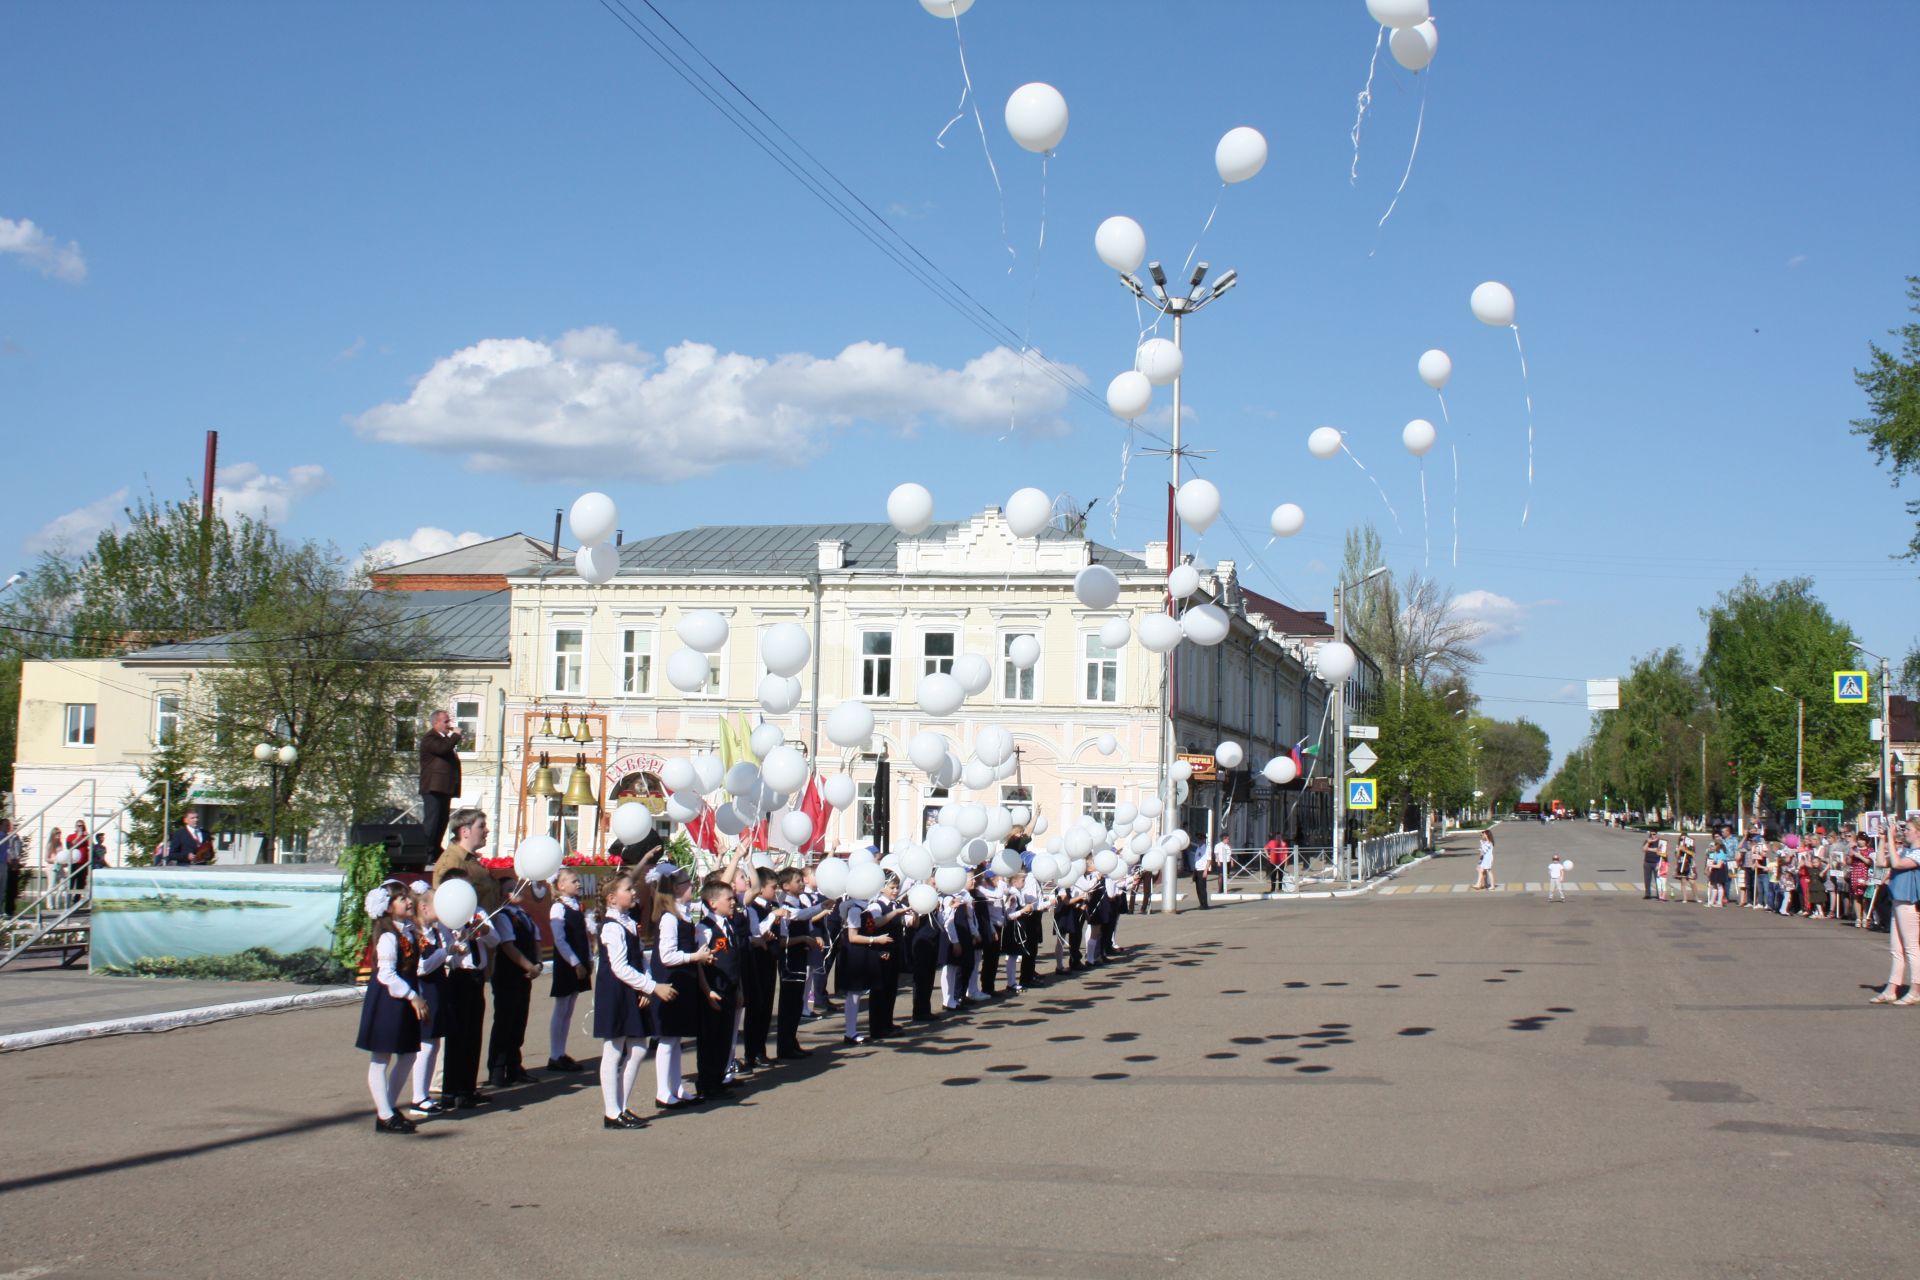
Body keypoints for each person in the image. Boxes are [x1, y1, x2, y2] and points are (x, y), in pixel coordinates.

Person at [354, 883, 427, 1135]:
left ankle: (388, 1107)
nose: (409, 902)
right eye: (402, 899)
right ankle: (385, 1114)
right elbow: (386, 974)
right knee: (381, 1058)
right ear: (388, 907)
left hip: (404, 998)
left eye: (408, 898)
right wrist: (412, 996)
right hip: (388, 1000)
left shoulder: (407, 931)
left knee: (407, 1054)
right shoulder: (387, 935)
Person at [592, 870, 663, 1129]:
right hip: (616, 992)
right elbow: (619, 967)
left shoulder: (628, 922)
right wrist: (651, 986)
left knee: (639, 1047)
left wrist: (646, 986)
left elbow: (639, 959)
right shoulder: (611, 927)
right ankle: (612, 1112)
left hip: (632, 989)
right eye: (628, 889)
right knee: (613, 1049)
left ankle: (621, 1106)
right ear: (612, 898)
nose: (634, 892)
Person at [648, 862, 712, 1106]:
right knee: (667, 1038)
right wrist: (694, 956)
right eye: (687, 883)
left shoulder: (682, 914)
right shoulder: (669, 918)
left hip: (682, 981)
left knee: (675, 1039)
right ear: (675, 889)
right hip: (669, 981)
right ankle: (663, 1091)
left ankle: (675, 1087)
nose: (692, 886)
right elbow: (666, 956)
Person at [435, 868, 495, 1110]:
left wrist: (482, 930)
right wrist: (456, 939)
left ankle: (468, 1088)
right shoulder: (445, 916)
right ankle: (450, 1090)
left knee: (473, 1033)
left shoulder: (477, 912)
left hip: (476, 977)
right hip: (457, 977)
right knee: (456, 1035)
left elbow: (495, 939)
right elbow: (443, 950)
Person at [485, 881, 544, 1088]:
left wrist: (537, 962)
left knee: (519, 1020)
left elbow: (536, 939)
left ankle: (515, 1066)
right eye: (511, 889)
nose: (517, 891)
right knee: (504, 1021)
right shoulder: (503, 916)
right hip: (508, 975)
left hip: (524, 976)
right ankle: (497, 1069)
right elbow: (508, 946)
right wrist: (529, 966)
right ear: (503, 895)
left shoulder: (523, 914)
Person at [404, 883, 454, 1118]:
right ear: (424, 907)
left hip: (437, 988)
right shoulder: (414, 932)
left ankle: (423, 1095)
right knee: (426, 1044)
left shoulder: (432, 931)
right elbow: (421, 967)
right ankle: (418, 1097)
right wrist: (446, 953)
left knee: (433, 1043)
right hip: (425, 991)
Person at [694, 877, 743, 1099]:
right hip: (714, 989)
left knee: (724, 1036)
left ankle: (719, 1077)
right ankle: (707, 1082)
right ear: (713, 903)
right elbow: (699, 963)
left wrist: (738, 987)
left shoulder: (729, 925)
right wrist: (707, 990)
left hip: (730, 987)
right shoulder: (704, 928)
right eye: (728, 899)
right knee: (710, 1039)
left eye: (733, 898)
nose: (733, 902)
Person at [546, 869, 593, 1072]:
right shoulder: (558, 908)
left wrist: (589, 958)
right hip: (567, 963)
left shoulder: (576, 906)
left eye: (578, 880)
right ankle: (555, 1054)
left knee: (569, 1007)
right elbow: (560, 939)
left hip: (580, 961)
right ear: (561, 886)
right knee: (562, 1007)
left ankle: (561, 1052)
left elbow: (584, 936)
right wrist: (575, 962)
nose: (578, 884)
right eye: (574, 881)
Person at [1870, 818, 1920, 1005]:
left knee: (1912, 948)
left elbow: (1898, 864)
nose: (1904, 832)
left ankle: (1915, 990)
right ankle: (1892, 988)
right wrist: (1883, 838)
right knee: (1896, 948)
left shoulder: (1918, 853)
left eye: (1908, 829)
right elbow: (1882, 863)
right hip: (1897, 900)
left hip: (1909, 902)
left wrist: (1891, 838)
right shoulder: (1905, 850)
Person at [432, 809, 501, 915]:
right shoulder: (451, 861)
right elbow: (448, 906)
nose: (487, 830)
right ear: (465, 832)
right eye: (481, 826)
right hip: (471, 929)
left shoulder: (471, 859)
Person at [417, 709, 462, 855]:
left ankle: (435, 848)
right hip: (432, 787)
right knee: (433, 820)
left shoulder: (443, 739)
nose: (448, 724)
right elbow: (442, 749)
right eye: (446, 721)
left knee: (442, 820)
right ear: (436, 722)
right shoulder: (430, 738)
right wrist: (455, 736)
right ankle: (426, 850)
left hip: (443, 788)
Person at [1, 819, 23, 916]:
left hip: (9, 864)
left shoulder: (14, 838)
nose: (9, 827)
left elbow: (16, 851)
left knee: (7, 888)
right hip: (5, 864)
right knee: (5, 888)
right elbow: (8, 851)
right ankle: (7, 909)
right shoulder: (4, 837)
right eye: (7, 825)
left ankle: (6, 910)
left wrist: (16, 862)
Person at [1188, 841, 1216, 911]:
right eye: (1198, 839)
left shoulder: (1207, 848)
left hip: (1203, 870)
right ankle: (1201, 903)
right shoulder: (1198, 848)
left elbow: (1209, 860)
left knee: (1202, 888)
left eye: (1200, 839)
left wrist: (1206, 870)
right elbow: (1196, 859)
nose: (1199, 841)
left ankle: (1205, 905)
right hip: (1197, 870)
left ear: (1203, 840)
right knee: (1198, 889)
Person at [1640, 829, 1665, 900]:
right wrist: (1648, 843)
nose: (1652, 835)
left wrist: (1650, 849)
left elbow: (1660, 851)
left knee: (1658, 879)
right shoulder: (1647, 841)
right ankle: (1647, 894)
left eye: (1654, 834)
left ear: (1656, 834)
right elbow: (1643, 849)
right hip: (1647, 862)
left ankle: (1659, 894)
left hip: (1656, 862)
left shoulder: (1660, 842)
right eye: (1651, 834)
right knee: (1647, 879)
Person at [1674, 833, 1698, 905]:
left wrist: (1685, 850)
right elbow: (1677, 856)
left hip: (1689, 864)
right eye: (1681, 839)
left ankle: (1696, 897)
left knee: (1692, 882)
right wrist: (1679, 849)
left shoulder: (1691, 846)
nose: (1683, 840)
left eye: (1684, 839)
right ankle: (1685, 898)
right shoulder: (1678, 846)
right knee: (1683, 881)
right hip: (1681, 864)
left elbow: (1693, 854)